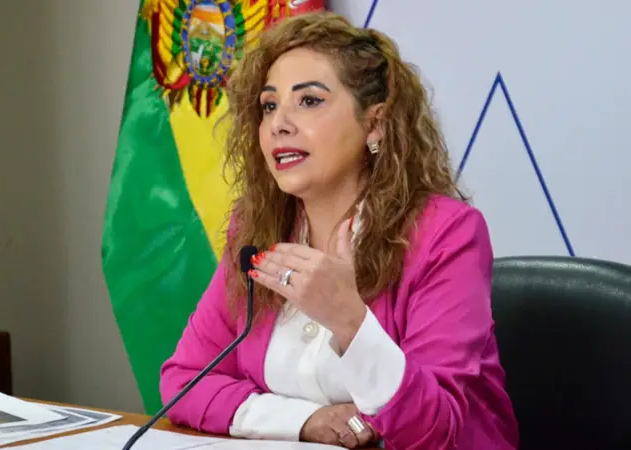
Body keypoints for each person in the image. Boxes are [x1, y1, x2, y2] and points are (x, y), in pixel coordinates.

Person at [159, 11, 519, 450]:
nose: (279, 123)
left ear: (375, 124)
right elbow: (184, 381)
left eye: (309, 101)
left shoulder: (446, 234)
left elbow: (438, 429)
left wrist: (350, 321)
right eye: (269, 106)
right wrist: (304, 421)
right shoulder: (256, 229)